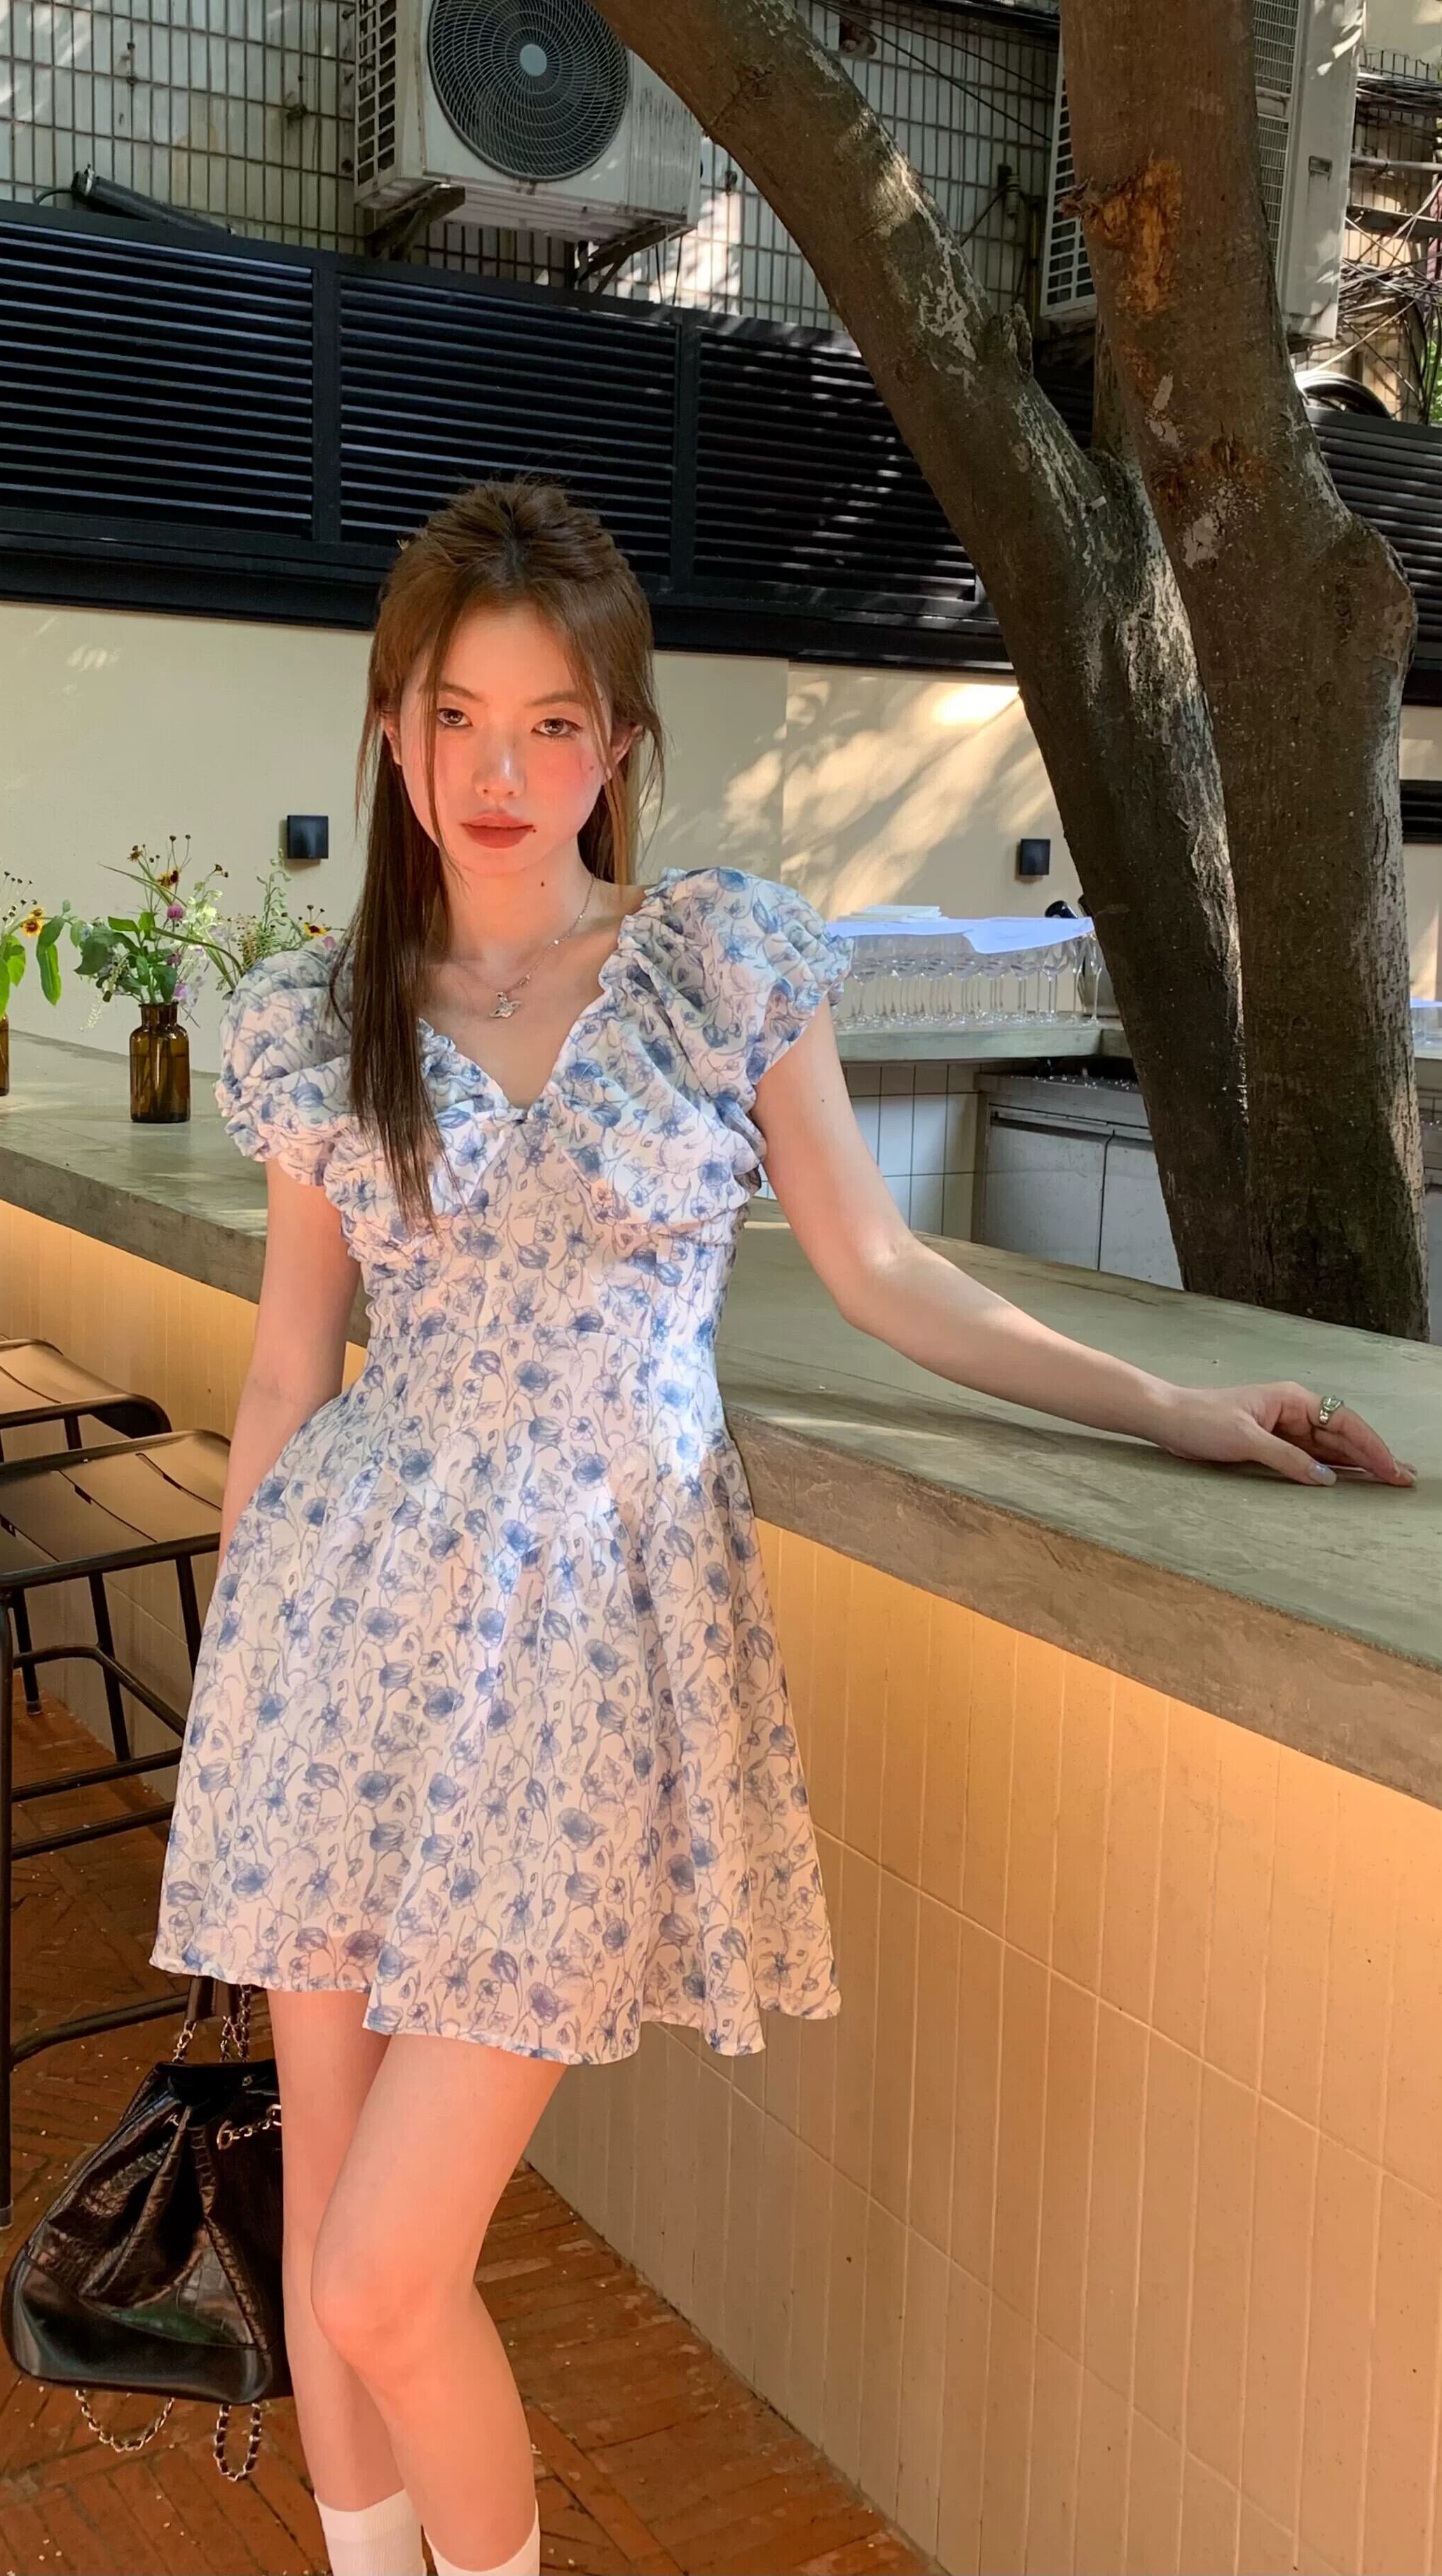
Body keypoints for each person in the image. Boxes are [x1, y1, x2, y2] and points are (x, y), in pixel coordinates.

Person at [149, 477, 1413, 2576]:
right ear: (389, 730)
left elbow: (887, 1274)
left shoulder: (712, 965)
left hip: (587, 1648)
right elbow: (289, 1371)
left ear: (620, 745)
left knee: (384, 2273)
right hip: (335, 1639)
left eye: (552, 723)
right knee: (331, 2236)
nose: (497, 771)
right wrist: (235, 1700)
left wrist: (1174, 1402)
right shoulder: (324, 1010)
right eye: (455, 716)